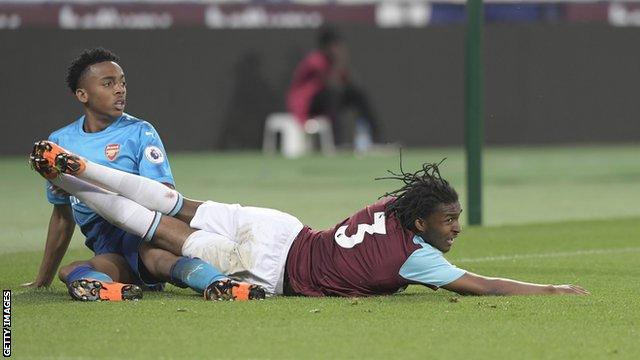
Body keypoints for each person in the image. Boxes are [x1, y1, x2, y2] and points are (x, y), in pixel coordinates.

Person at [30, 141, 589, 298]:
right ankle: (62, 178)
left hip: (283, 226)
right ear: (421, 225)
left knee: (175, 205)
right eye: (450, 220)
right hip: (271, 263)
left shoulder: (395, 209)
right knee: (156, 230)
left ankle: (75, 172)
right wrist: (549, 289)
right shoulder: (417, 258)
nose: (456, 228)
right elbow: (482, 285)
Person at [25, 48, 264, 301]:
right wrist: (43, 280)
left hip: (144, 237)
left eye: (122, 83)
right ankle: (114, 290)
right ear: (82, 94)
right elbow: (62, 218)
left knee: (158, 258)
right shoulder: (60, 142)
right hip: (109, 249)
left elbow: (163, 199)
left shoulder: (140, 132)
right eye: (108, 83)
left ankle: (221, 284)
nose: (120, 90)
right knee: (71, 271)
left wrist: (84, 184)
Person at [287, 27, 382, 150]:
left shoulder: (334, 61)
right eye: (335, 45)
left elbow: (351, 83)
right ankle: (337, 143)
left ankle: (375, 139)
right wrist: (339, 62)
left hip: (327, 100)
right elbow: (332, 83)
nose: (339, 48)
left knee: (357, 94)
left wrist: (342, 64)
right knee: (331, 95)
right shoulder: (315, 60)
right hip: (307, 105)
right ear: (326, 46)